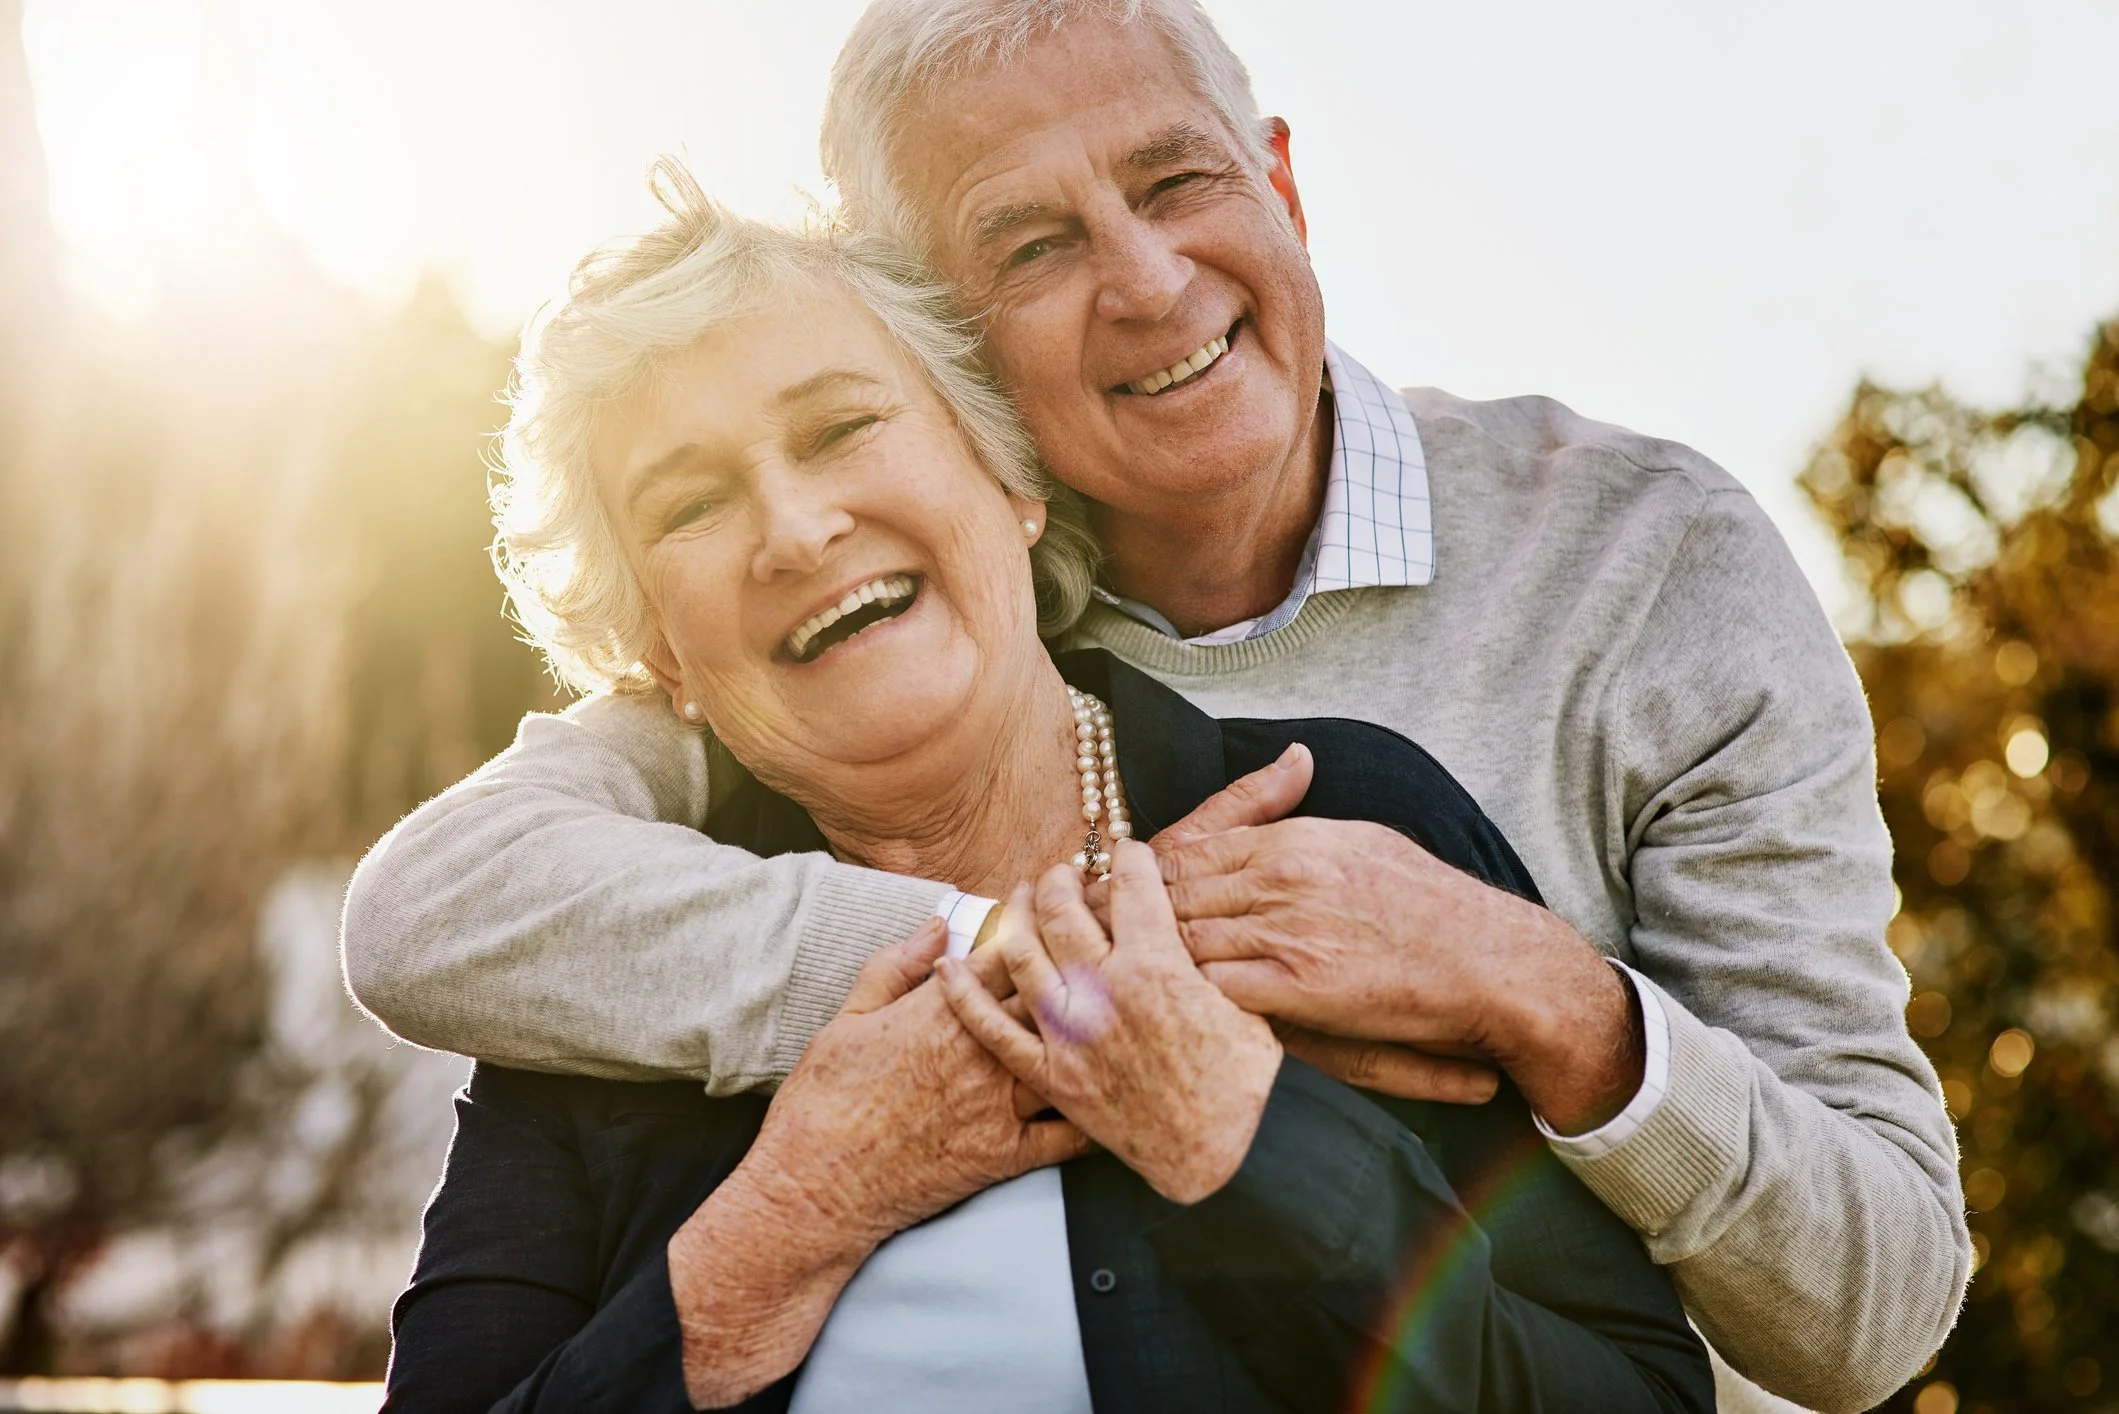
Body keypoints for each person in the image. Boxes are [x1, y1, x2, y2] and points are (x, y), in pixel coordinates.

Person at [344, 3, 1967, 1408]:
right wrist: (996, 978)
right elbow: (430, 904)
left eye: (1178, 179)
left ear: (1279, 180)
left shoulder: (1626, 576)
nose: (1144, 279)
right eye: (1030, 245)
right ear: (963, 372)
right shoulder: (790, 707)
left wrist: (1530, 989)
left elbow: (1868, 1311)